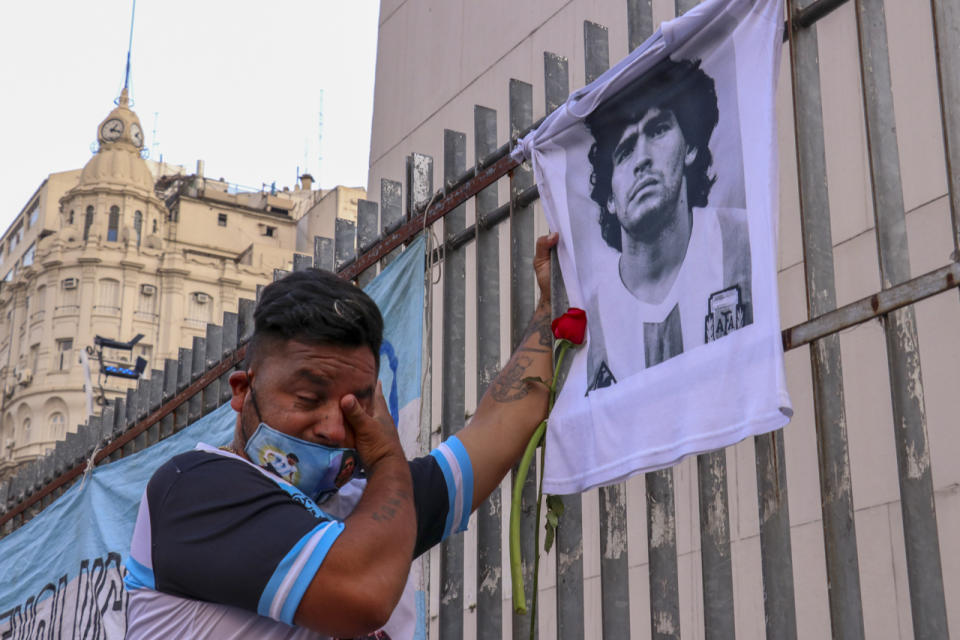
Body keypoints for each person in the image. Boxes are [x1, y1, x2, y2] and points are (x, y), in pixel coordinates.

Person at [123, 233, 559, 639]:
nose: (333, 428)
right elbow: (364, 595)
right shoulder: (196, 489)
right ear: (243, 391)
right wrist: (388, 458)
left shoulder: (372, 503)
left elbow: (501, 426)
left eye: (354, 405)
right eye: (309, 398)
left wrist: (550, 306)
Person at [582, 57, 752, 391]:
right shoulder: (591, 319)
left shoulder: (743, 245)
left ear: (689, 147)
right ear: (610, 200)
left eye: (658, 131)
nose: (642, 159)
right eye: (625, 151)